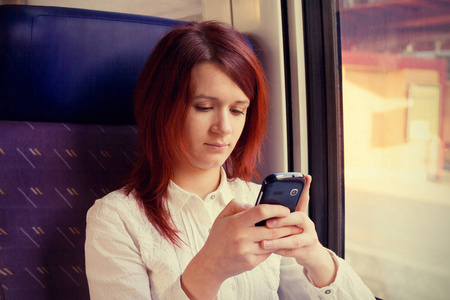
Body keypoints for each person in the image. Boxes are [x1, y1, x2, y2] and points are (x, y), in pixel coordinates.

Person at [85, 21, 374, 299]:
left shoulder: (257, 203)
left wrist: (315, 256)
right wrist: (210, 268)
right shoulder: (116, 219)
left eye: (238, 111)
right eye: (204, 107)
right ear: (160, 107)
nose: (223, 127)